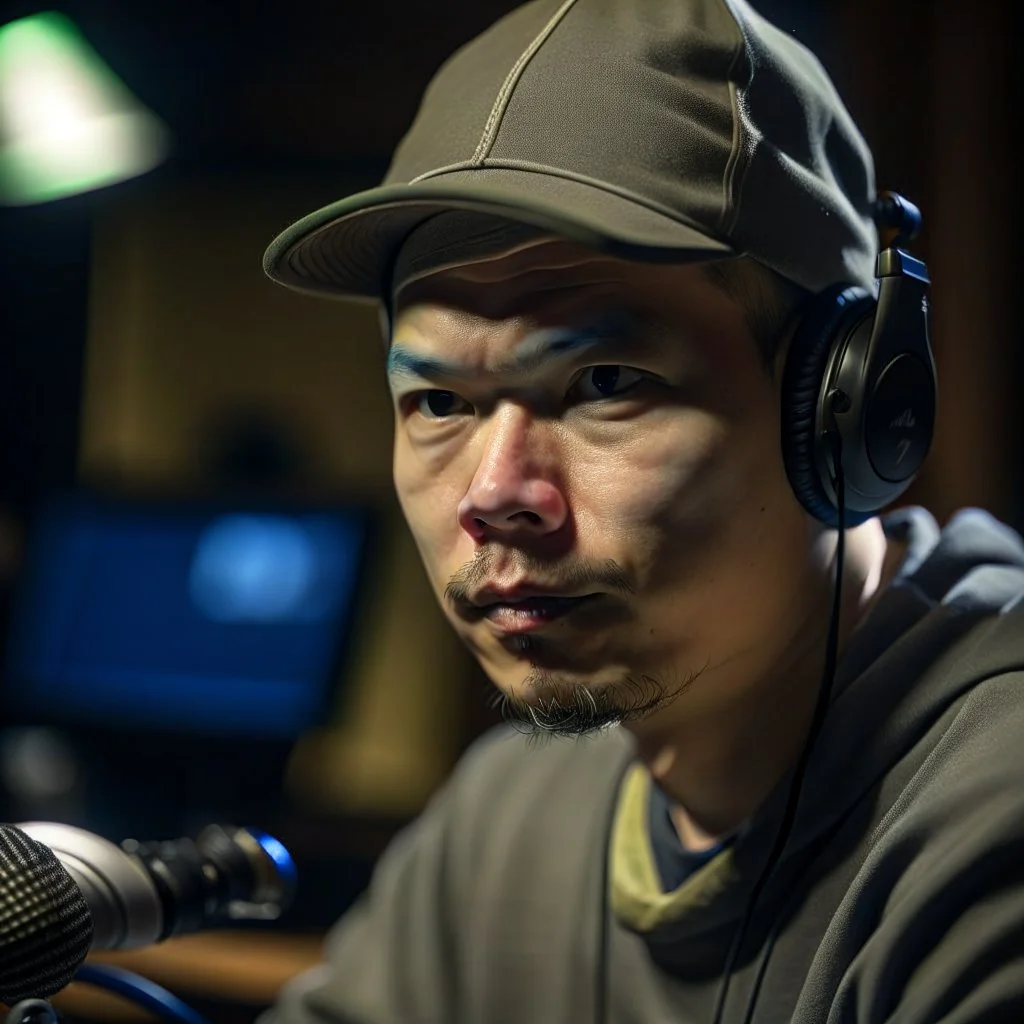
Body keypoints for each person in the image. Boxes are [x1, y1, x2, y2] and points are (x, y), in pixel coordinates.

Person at [259, 1, 1024, 1021]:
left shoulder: (993, 815)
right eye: (440, 402)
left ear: (843, 412)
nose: (492, 496)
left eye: (605, 381)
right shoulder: (512, 809)